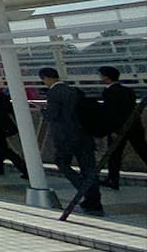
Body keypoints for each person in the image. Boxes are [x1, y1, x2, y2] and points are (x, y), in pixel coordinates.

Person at [38, 67, 103, 214]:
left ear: (46, 78)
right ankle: (94, 201)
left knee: (61, 162)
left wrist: (42, 110)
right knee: (88, 168)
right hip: (84, 135)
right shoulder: (74, 91)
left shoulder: (53, 93)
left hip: (65, 137)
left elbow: (52, 115)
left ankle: (84, 190)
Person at [100, 65, 146, 190]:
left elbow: (111, 113)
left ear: (106, 77)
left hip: (118, 129)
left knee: (114, 155)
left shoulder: (108, 92)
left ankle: (113, 180)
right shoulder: (128, 91)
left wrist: (112, 129)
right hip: (135, 126)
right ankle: (112, 179)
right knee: (143, 150)